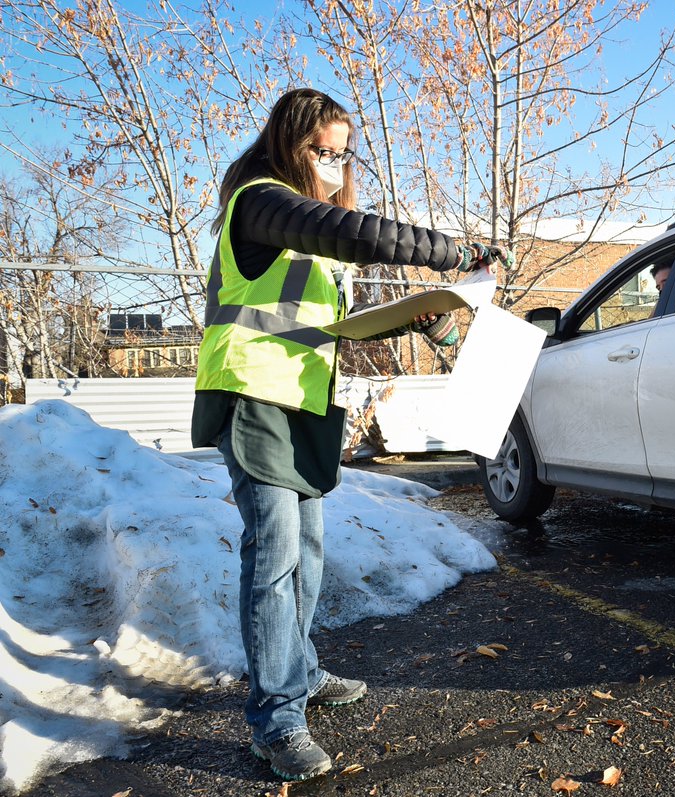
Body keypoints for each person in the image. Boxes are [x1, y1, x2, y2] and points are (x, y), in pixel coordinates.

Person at [191, 87, 510, 782]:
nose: (333, 165)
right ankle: (275, 718)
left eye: (342, 154)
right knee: (275, 557)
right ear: (288, 142)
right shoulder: (261, 201)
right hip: (251, 395)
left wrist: (428, 316)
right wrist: (451, 255)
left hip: (302, 402)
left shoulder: (309, 233)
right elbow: (360, 233)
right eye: (321, 151)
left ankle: (299, 672)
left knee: (305, 549)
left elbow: (322, 327)